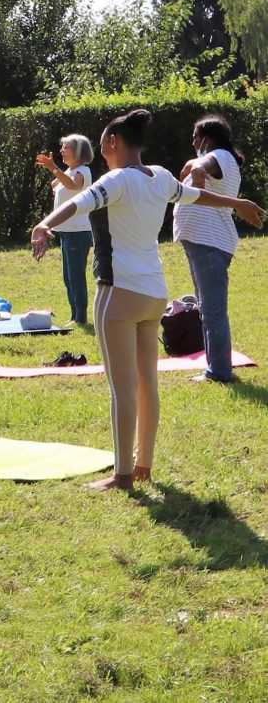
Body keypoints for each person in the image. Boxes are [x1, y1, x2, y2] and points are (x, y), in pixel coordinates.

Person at [31, 109, 263, 492]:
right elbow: (197, 195)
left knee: (122, 389)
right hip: (155, 293)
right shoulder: (162, 177)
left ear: (112, 144)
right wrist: (237, 204)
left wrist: (44, 224)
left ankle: (122, 476)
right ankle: (144, 467)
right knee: (147, 385)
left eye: (105, 146)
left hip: (117, 294)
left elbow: (79, 202)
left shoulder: (116, 180)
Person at [174, 114, 245, 383]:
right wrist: (193, 166)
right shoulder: (222, 157)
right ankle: (215, 367)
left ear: (206, 138)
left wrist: (197, 173)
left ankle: (219, 372)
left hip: (210, 242)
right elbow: (196, 164)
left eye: (195, 137)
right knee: (207, 308)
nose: (192, 142)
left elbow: (200, 168)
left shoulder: (219, 157)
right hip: (203, 242)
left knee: (213, 310)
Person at [36, 134, 96, 325]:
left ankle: (80, 318)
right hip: (67, 232)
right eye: (61, 147)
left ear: (78, 152)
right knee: (68, 276)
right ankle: (74, 316)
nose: (62, 150)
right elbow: (57, 185)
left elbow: (73, 186)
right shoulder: (71, 171)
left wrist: (53, 168)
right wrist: (56, 170)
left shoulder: (83, 171)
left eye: (66, 147)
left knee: (76, 276)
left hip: (78, 232)